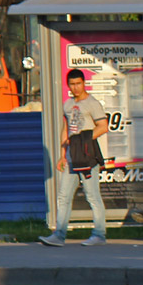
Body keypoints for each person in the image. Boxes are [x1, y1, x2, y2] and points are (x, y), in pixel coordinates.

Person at [40, 69, 109, 247]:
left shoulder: (92, 103)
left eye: (79, 83)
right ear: (68, 85)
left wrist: (82, 140)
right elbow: (66, 128)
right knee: (63, 196)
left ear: (84, 83)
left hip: (87, 156)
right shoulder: (68, 104)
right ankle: (59, 235)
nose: (76, 87)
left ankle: (99, 235)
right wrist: (62, 155)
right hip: (71, 157)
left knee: (92, 195)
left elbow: (103, 126)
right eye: (72, 84)